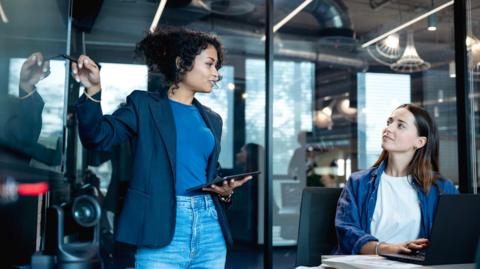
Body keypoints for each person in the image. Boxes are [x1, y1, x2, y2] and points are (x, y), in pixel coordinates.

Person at [72, 27, 252, 268]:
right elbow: (97, 137)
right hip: (161, 227)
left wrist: (224, 189)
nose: (215, 74)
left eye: (217, 67)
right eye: (209, 64)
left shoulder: (212, 119)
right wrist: (93, 91)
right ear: (181, 63)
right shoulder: (144, 105)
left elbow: (208, 171)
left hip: (210, 227)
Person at [334, 103, 458, 255]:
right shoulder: (358, 182)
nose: (389, 128)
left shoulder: (441, 188)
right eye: (389, 122)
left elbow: (453, 237)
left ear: (419, 142)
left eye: (400, 125)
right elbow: (347, 231)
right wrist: (388, 249)